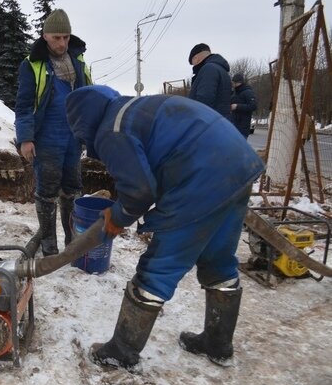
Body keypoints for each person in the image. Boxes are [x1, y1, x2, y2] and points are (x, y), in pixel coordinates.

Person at [65, 85, 264, 369]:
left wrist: (116, 218)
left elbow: (139, 191)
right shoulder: (133, 110)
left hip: (200, 177)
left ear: (83, 123)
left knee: (158, 267)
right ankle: (218, 344)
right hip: (239, 164)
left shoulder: (112, 129)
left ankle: (122, 351)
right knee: (218, 260)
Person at [15, 9, 92, 256]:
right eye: (57, 37)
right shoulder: (33, 64)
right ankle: (49, 245)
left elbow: (89, 95)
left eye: (66, 37)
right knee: (47, 190)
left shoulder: (78, 61)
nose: (62, 43)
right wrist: (26, 138)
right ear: (45, 36)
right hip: (47, 135)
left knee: (73, 187)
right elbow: (24, 104)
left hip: (73, 136)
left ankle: (73, 240)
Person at [188, 43, 232, 119]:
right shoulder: (222, 71)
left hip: (208, 123)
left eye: (193, 63)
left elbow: (204, 101)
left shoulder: (209, 69)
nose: (194, 66)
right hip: (220, 121)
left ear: (196, 58)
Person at [231, 73, 257, 138]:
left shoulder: (248, 92)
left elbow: (253, 106)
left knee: (239, 147)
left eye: (233, 82)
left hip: (242, 127)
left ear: (238, 82)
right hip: (234, 125)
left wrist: (237, 106)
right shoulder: (235, 93)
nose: (232, 84)